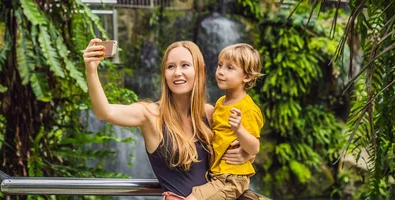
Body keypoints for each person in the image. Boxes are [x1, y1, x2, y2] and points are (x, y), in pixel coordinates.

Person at [82, 39, 254, 199]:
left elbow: (239, 148)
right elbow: (105, 112)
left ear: (199, 70)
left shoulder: (211, 113)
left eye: (185, 65)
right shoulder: (150, 115)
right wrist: (91, 70)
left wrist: (246, 154)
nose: (177, 73)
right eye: (170, 67)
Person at [188, 43, 264, 200]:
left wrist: (239, 129)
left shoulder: (247, 109)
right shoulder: (221, 102)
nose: (220, 72)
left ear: (247, 76)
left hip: (231, 179)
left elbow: (254, 147)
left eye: (230, 68)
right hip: (218, 175)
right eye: (220, 65)